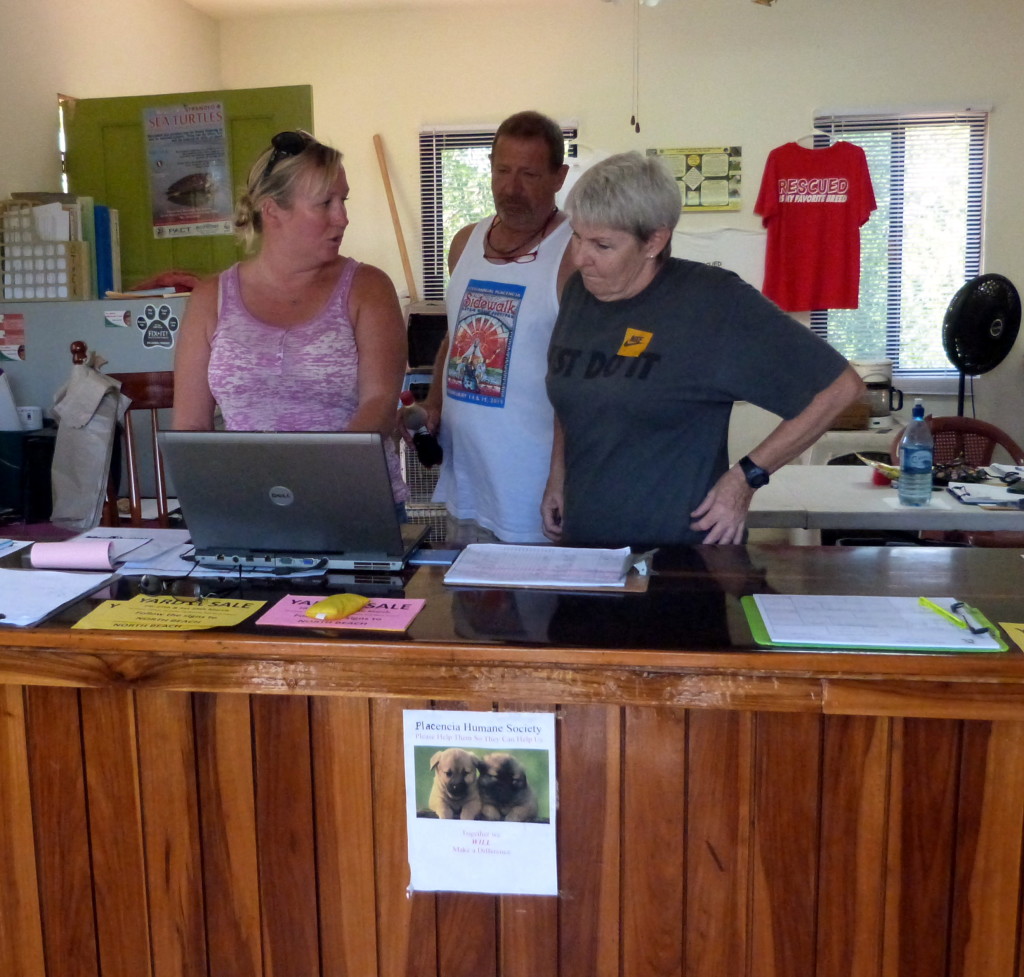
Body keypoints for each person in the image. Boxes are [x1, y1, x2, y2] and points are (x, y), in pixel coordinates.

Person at [542, 151, 864, 548]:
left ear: (654, 241)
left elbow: (840, 388)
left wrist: (746, 477)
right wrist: (557, 478)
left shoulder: (713, 302)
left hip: (680, 558)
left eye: (602, 245)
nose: (580, 257)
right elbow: (570, 390)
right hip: (585, 548)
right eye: (576, 236)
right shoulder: (580, 291)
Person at [172, 129, 408, 503]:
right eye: (325, 203)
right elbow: (190, 425)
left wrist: (311, 483)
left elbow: (378, 405)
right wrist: (215, 502)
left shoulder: (368, 288)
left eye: (343, 201)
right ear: (272, 210)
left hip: (353, 503)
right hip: (249, 508)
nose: (342, 217)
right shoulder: (210, 298)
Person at [424, 110, 576, 543]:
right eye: (502, 171)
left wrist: (562, 476)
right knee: (466, 607)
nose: (511, 188)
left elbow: (579, 374)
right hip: (467, 480)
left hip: (532, 489)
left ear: (559, 176)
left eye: (528, 174)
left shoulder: (574, 253)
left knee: (534, 608)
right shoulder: (464, 243)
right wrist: (434, 402)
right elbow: (456, 336)